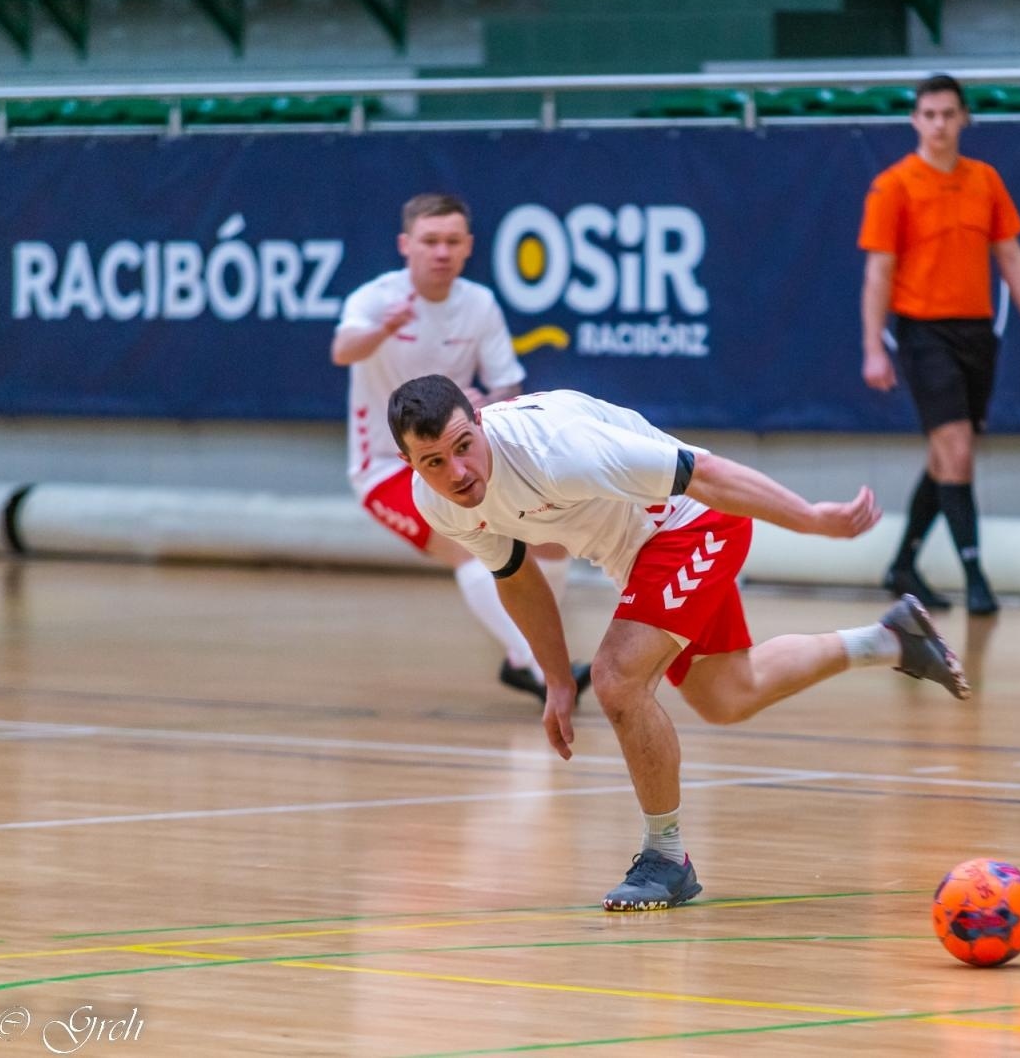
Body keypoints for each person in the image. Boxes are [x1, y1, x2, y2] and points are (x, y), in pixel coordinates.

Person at [389, 374, 970, 911]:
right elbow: (517, 577)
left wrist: (811, 520)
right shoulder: (436, 501)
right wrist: (558, 679)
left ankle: (666, 858)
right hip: (634, 555)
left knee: (619, 680)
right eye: (434, 461)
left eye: (464, 447)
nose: (458, 472)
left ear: (481, 424)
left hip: (693, 523)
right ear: (409, 463)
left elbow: (707, 472)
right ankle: (892, 641)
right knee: (727, 695)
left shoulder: (557, 448)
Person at [331, 193, 587, 701]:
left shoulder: (479, 305)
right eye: (430, 242)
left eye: (452, 241)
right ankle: (541, 667)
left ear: (468, 246)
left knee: (552, 542)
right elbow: (342, 350)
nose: (441, 252)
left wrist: (482, 402)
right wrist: (386, 328)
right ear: (406, 245)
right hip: (387, 467)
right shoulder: (376, 299)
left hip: (463, 460)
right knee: (469, 548)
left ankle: (527, 655)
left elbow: (508, 388)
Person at [859, 72, 1020, 616]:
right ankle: (976, 575)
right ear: (915, 120)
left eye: (949, 114)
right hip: (923, 332)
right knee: (958, 450)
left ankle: (902, 565)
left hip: (976, 332)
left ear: (964, 118)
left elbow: (1011, 255)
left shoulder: (985, 180)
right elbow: (879, 271)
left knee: (947, 454)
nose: (940, 125)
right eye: (929, 115)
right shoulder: (894, 185)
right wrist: (874, 347)